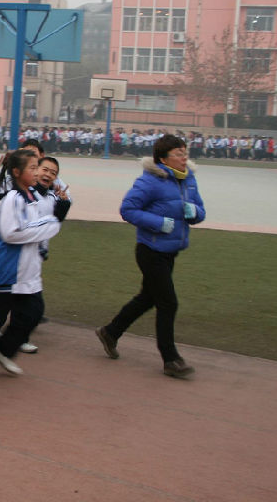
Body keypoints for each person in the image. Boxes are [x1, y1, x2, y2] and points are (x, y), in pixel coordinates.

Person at [95, 135, 206, 378]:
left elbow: (201, 211)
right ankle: (170, 359)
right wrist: (158, 223)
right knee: (168, 302)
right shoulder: (150, 181)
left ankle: (110, 332)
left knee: (148, 297)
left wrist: (194, 212)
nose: (184, 157)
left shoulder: (189, 180)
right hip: (150, 250)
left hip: (170, 251)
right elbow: (128, 209)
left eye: (185, 152)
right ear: (163, 158)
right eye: (178, 153)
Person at [0, 150, 61, 377]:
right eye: (33, 167)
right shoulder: (12, 199)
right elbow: (11, 234)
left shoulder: (32, 197)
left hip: (27, 270)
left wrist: (46, 226)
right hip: (8, 268)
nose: (37, 171)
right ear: (17, 172)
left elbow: (38, 226)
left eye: (37, 167)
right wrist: (48, 227)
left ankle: (2, 350)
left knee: (33, 312)